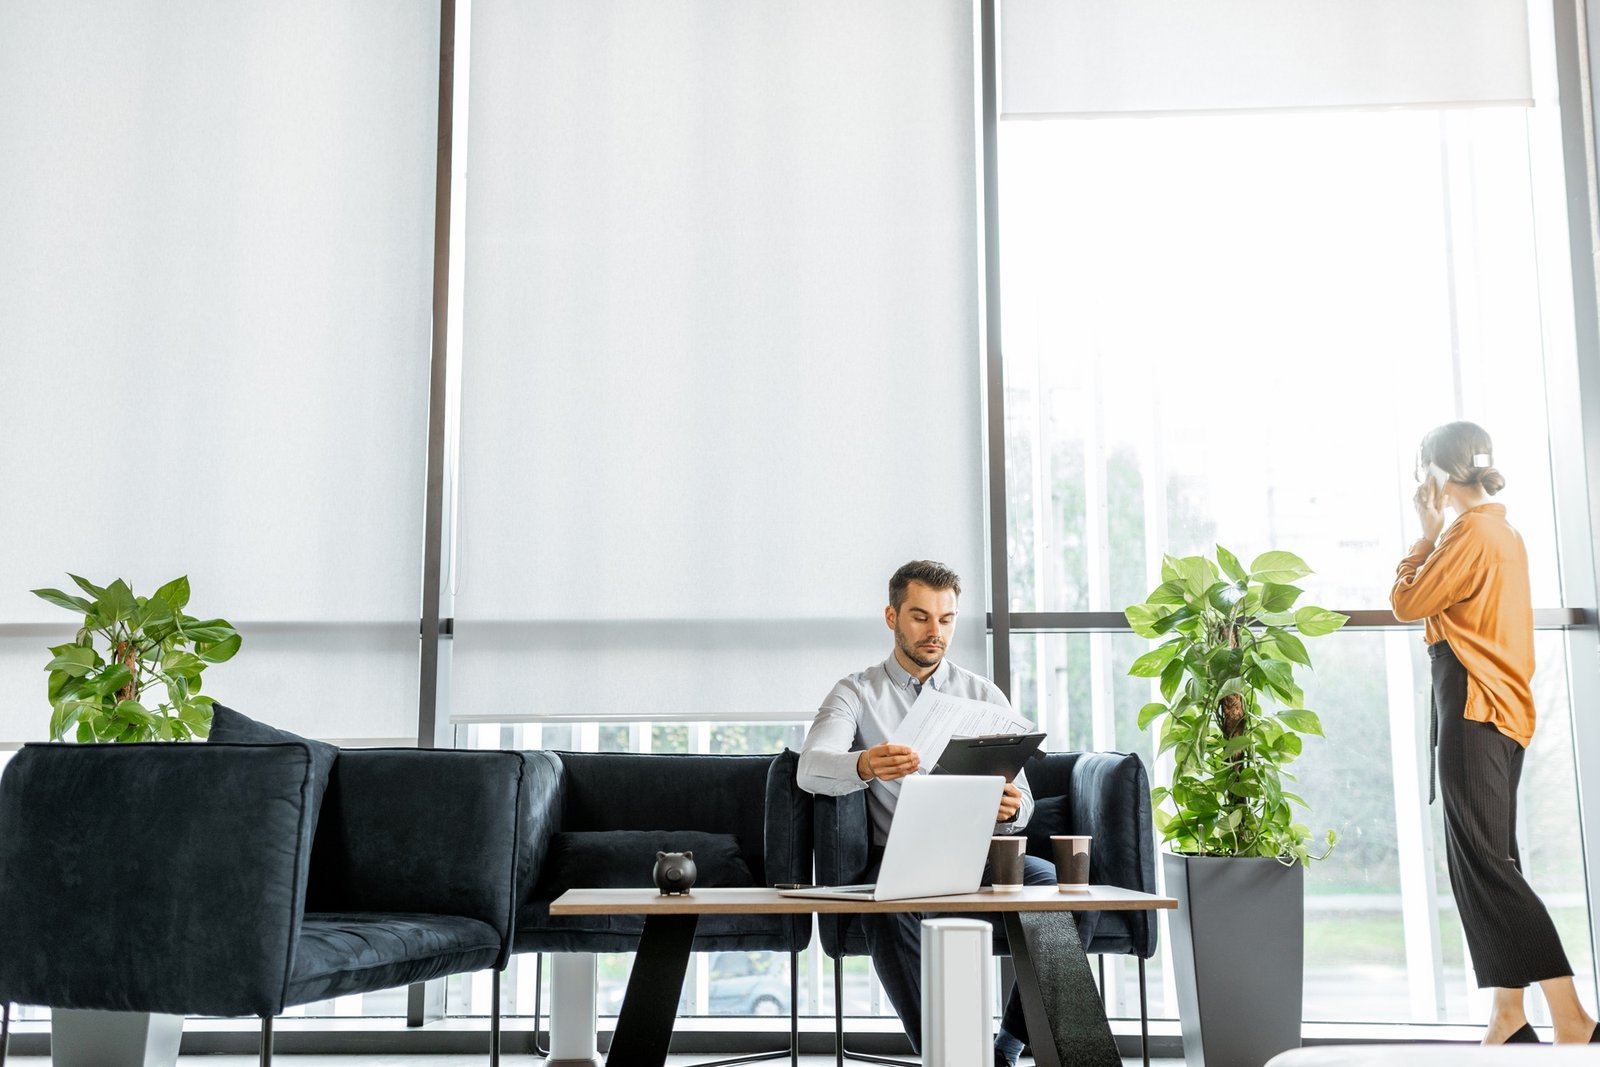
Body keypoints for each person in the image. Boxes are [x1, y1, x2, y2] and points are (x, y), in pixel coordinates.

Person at [797, 559, 1052, 1067]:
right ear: (891, 617)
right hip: (899, 859)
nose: (935, 632)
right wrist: (865, 764)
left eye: (947, 619)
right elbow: (810, 770)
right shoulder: (856, 692)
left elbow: (1022, 801)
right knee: (888, 909)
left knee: (1051, 883)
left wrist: (1011, 808)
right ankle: (952, 1055)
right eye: (920, 617)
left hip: (977, 855)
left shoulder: (983, 694)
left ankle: (1007, 1045)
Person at [1391, 421, 1598, 1045]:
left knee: (1485, 865)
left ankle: (1572, 1016)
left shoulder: (1468, 533)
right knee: (1487, 860)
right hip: (1500, 711)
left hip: (1475, 710)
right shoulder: (1501, 530)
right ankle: (1509, 1014)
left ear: (1436, 475)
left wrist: (1423, 538)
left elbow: (1407, 602)